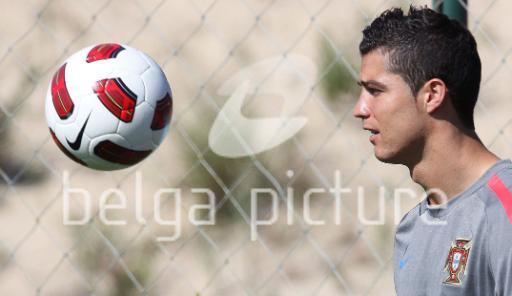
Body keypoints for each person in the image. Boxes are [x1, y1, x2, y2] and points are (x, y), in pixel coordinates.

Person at [353, 6, 512, 295]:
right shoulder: (411, 229)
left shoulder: (505, 213)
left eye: (375, 91)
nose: (359, 109)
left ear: (432, 95)